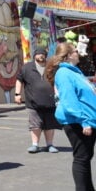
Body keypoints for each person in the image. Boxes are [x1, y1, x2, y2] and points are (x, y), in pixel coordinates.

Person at [44, 41, 96, 191]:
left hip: (88, 120)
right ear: (68, 56)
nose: (78, 53)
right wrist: (84, 121)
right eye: (75, 51)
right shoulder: (64, 73)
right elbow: (69, 101)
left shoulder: (74, 71)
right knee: (81, 158)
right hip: (77, 122)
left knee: (86, 157)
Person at [15, 47, 60, 153]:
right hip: (33, 102)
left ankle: (50, 145)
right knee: (35, 124)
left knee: (49, 125)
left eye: (43, 54)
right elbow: (19, 80)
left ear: (45, 55)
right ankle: (35, 145)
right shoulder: (27, 67)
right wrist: (17, 94)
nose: (41, 56)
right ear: (34, 55)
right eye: (39, 54)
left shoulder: (51, 67)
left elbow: (58, 81)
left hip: (50, 102)